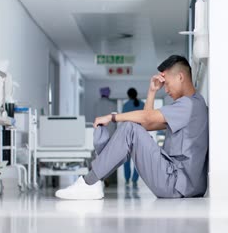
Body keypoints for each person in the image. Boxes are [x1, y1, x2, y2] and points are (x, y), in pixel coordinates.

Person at [55, 55, 208, 199]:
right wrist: (152, 91)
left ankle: (89, 182)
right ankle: (95, 178)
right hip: (182, 183)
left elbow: (145, 118)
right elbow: (146, 124)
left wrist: (113, 117)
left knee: (129, 128)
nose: (166, 90)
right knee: (132, 129)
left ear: (180, 77)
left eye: (167, 84)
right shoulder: (194, 104)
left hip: (176, 182)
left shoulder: (189, 104)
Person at [122, 88, 144, 188]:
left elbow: (123, 121)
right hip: (139, 135)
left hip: (128, 135)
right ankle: (135, 179)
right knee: (138, 160)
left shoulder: (126, 106)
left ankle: (127, 179)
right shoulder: (142, 104)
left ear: (128, 95)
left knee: (126, 160)